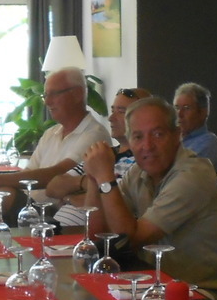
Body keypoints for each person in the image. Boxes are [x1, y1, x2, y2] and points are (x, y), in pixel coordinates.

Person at [83, 96, 217, 300]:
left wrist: (105, 177)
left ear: (177, 135)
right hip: (156, 284)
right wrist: (94, 178)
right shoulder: (138, 171)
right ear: (129, 141)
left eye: (158, 134)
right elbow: (97, 237)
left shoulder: (193, 174)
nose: (147, 145)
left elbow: (130, 239)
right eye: (138, 137)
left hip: (206, 295)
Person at [0, 67, 108, 230]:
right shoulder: (51, 133)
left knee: (3, 195)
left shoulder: (94, 135)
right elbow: (28, 174)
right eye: (46, 95)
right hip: (30, 206)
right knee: (1, 194)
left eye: (54, 94)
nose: (47, 102)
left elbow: (56, 174)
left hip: (53, 213)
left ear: (77, 94)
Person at [46, 86, 149, 228]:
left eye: (121, 112)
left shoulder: (143, 161)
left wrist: (71, 196)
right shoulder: (103, 153)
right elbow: (53, 187)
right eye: (113, 111)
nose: (111, 118)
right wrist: (87, 182)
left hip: (93, 235)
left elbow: (113, 203)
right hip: (59, 231)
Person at [173, 82, 217, 175]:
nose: (179, 114)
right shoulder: (172, 139)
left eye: (186, 108)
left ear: (203, 113)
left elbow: (181, 175)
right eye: (177, 107)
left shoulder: (208, 142)